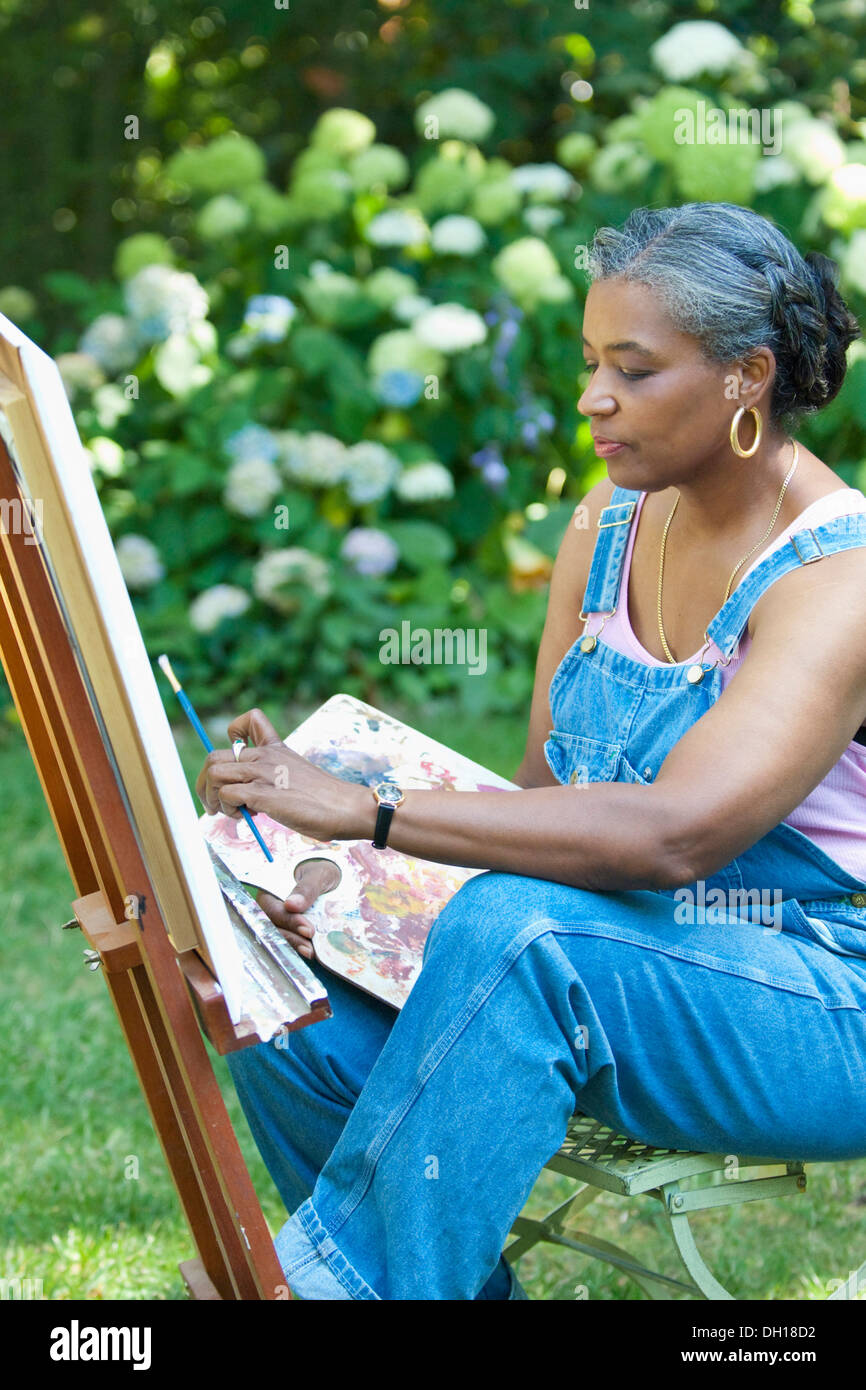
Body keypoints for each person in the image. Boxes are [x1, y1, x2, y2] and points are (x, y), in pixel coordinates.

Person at [196, 202, 866, 1301]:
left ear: (747, 376)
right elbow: (549, 801)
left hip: (819, 998)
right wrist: (332, 865)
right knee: (283, 990)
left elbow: (667, 835)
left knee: (526, 931)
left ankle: (331, 1292)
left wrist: (367, 808)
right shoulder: (604, 522)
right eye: (588, 360)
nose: (589, 397)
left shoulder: (835, 578)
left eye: (632, 370)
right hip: (636, 964)